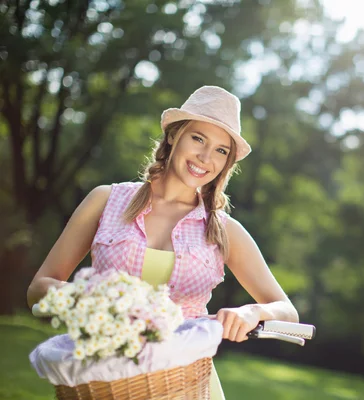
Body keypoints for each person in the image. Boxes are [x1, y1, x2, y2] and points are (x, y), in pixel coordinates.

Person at [26, 85, 300, 399]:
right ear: (173, 136)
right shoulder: (105, 200)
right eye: (198, 138)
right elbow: (38, 290)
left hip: (185, 387)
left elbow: (287, 311)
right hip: (102, 383)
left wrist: (251, 313)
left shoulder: (225, 230)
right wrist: (91, 300)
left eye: (221, 150)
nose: (205, 157)